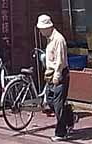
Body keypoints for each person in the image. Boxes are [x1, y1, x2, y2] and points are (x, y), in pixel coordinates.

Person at [37, 14, 71, 142]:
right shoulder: (50, 39)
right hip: (50, 74)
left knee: (57, 104)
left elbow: (60, 60)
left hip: (60, 74)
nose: (40, 32)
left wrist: (57, 75)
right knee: (51, 101)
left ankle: (61, 132)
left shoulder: (58, 39)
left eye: (42, 29)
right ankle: (69, 118)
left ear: (48, 27)